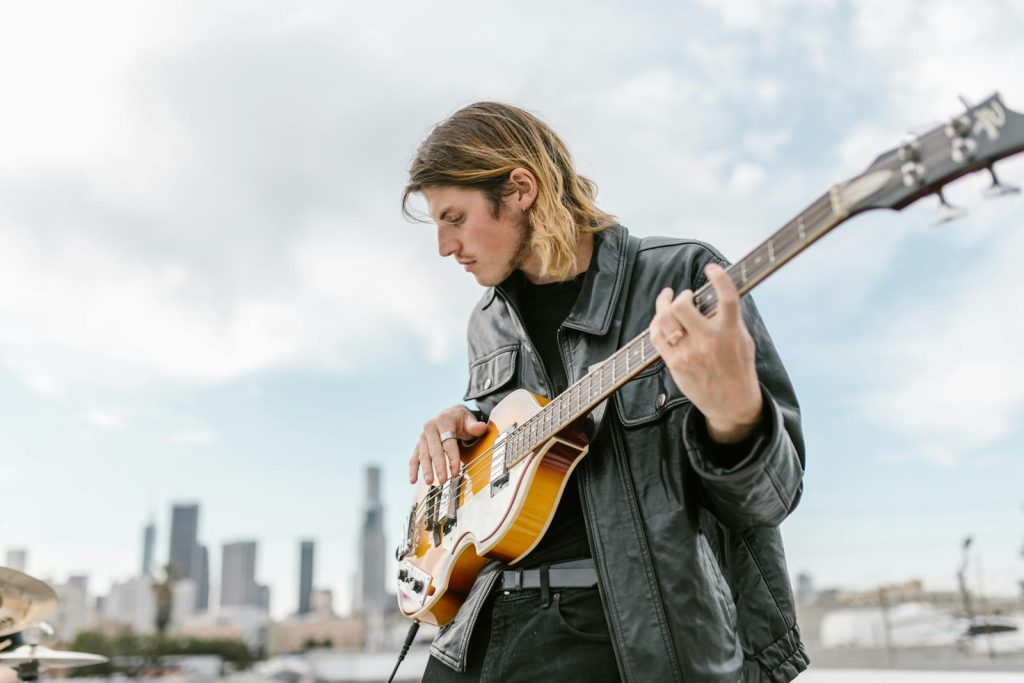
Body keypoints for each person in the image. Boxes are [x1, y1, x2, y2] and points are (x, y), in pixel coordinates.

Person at [402, 102, 808, 682]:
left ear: (520, 189)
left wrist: (737, 416)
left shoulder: (683, 277)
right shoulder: (487, 322)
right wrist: (460, 439)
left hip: (623, 639)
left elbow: (771, 499)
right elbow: (498, 481)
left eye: (454, 218)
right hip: (477, 633)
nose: (445, 246)